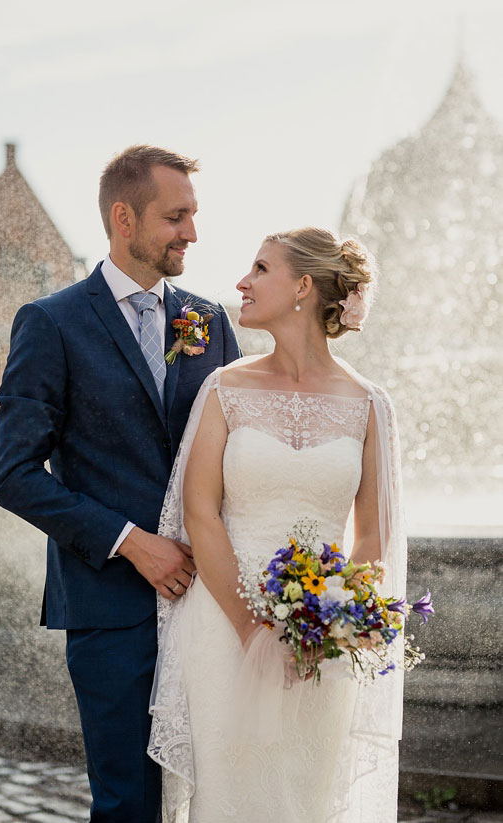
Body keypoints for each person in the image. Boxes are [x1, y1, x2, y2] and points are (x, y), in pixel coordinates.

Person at [0, 144, 241, 822]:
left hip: (210, 602)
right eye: (177, 216)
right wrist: (132, 542)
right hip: (110, 608)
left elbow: (240, 453)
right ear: (125, 218)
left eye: (193, 215)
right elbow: (15, 477)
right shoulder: (51, 323)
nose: (192, 232)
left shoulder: (210, 322)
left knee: (219, 790)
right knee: (129, 801)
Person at [149, 227, 405, 821]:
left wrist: (334, 625)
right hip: (222, 625)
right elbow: (200, 514)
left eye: (261, 269)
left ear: (304, 288)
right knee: (231, 795)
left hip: (318, 641)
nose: (242, 282)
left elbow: (371, 535)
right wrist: (253, 632)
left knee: (302, 795)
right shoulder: (224, 388)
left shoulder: (370, 403)